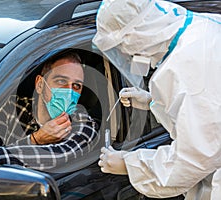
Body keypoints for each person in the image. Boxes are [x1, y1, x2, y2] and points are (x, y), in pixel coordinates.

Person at [93, 0, 221, 199]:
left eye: (123, 47)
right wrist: (153, 102)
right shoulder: (198, 28)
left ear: (135, 36)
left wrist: (129, 164)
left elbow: (194, 158)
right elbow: (209, 107)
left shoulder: (189, 66)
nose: (126, 54)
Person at [0, 51, 99, 172]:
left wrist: (37, 139)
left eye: (76, 86)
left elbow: (59, 155)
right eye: (61, 81)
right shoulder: (12, 107)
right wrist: (34, 139)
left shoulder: (84, 123)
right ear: (40, 84)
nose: (69, 91)